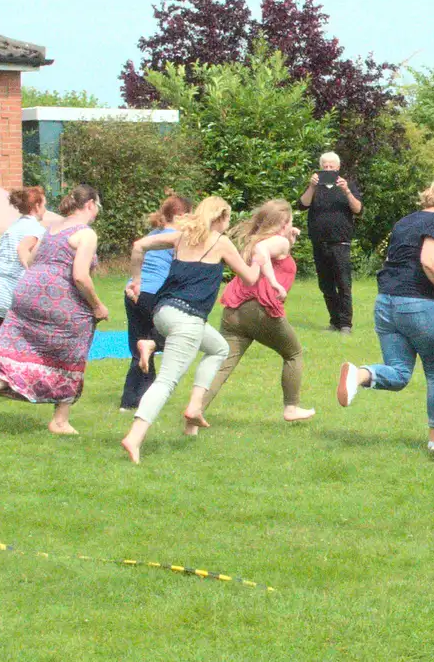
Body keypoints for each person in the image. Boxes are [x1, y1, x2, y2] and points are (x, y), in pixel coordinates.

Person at [119, 196, 268, 464]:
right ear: (219, 217)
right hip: (186, 319)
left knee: (219, 348)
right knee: (165, 382)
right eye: (227, 219)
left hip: (163, 313)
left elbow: (139, 246)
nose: (228, 224)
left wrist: (137, 280)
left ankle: (193, 406)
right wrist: (258, 260)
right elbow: (250, 278)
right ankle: (135, 436)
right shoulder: (220, 242)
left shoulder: (180, 237)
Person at [337, 179, 434, 457]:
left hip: (385, 303)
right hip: (419, 304)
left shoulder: (405, 221)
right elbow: (429, 260)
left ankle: (359, 375)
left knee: (399, 372)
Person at [0, 185, 108, 435]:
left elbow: (29, 258)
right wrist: (97, 306)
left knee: (22, 351)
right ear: (89, 205)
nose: (97, 212)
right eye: (98, 206)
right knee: (71, 353)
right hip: (59, 298)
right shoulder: (86, 233)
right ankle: (60, 420)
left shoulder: (51, 228)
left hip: (26, 292)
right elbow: (80, 277)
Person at [195, 200, 316, 425]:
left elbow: (266, 251)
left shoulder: (255, 240)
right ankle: (291, 407)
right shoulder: (276, 242)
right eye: (290, 221)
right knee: (294, 353)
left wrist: (289, 238)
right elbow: (266, 252)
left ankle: (195, 412)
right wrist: (274, 282)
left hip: (234, 310)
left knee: (223, 363)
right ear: (282, 223)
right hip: (260, 308)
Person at [120, 192, 191, 412]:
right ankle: (150, 348)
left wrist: (135, 283)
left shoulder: (154, 233)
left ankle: (131, 401)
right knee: (172, 335)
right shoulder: (177, 239)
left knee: (139, 348)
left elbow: (138, 255)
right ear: (180, 215)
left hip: (133, 292)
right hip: (155, 294)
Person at [299, 151, 363, 333]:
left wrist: (347, 191)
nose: (328, 169)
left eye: (331, 167)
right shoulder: (315, 187)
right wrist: (311, 187)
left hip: (340, 242)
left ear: (338, 168)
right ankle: (334, 322)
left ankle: (345, 324)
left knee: (343, 284)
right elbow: (302, 205)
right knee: (325, 285)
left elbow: (358, 209)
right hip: (319, 242)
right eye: (324, 167)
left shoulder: (347, 185)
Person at [0, 187, 48, 336]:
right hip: (8, 294)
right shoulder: (35, 229)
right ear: (36, 206)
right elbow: (22, 249)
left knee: (0, 346)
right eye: (44, 205)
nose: (45, 210)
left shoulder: (13, 227)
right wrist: (33, 273)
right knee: (20, 345)